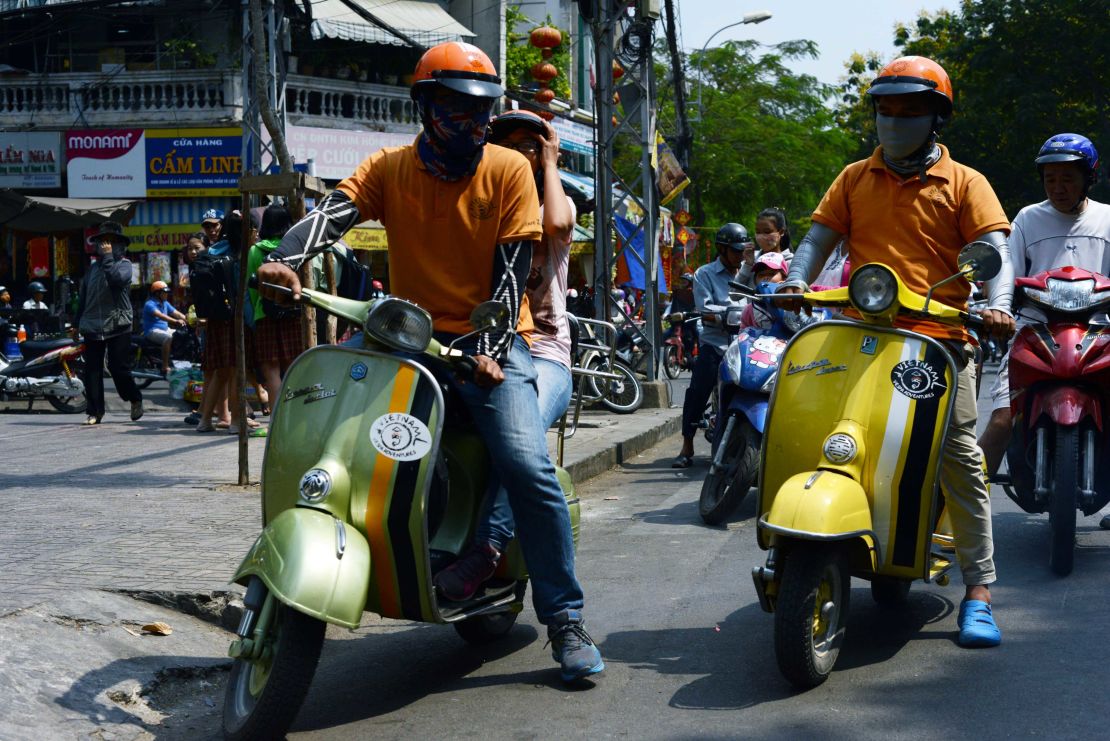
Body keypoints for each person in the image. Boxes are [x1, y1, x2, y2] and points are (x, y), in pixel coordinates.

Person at [256, 41, 602, 683]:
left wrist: (493, 351)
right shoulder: (389, 168)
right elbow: (334, 213)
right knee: (329, 414)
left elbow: (513, 272)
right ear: (424, 107)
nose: (468, 122)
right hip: (406, 340)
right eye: (453, 108)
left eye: (479, 111)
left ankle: (566, 619)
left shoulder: (507, 169)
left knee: (526, 465)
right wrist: (287, 255)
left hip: (492, 345)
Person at [775, 55, 1015, 648]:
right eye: (886, 107)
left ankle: (979, 590)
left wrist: (998, 304)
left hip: (939, 341)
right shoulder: (855, 177)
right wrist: (793, 282)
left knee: (959, 453)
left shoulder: (966, 183)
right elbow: (816, 240)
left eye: (909, 108)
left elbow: (994, 255)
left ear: (937, 117)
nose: (895, 118)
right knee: (812, 424)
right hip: (859, 333)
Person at [433, 109, 577, 602]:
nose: (522, 152)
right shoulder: (481, 204)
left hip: (545, 356)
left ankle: (489, 547)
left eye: (532, 146)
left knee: (524, 443)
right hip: (482, 347)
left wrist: (552, 162)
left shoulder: (556, 202)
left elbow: (556, 224)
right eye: (511, 143)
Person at [972, 133, 1110, 528]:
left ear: (1089, 177)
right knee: (1000, 420)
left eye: (1067, 179)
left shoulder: (1107, 218)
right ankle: (957, 512)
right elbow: (1006, 269)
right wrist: (998, 306)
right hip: (1036, 331)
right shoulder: (1028, 218)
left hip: (1098, 332)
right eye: (1050, 179)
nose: (1058, 188)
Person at [671, 222, 751, 468]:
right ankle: (687, 446)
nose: (740, 256)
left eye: (743, 251)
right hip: (715, 343)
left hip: (744, 343)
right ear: (722, 249)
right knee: (698, 390)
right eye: (736, 251)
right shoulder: (704, 274)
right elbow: (703, 307)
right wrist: (729, 314)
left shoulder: (749, 273)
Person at [76, 222, 144, 425]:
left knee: (117, 367)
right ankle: (95, 412)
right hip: (92, 324)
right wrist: (77, 322)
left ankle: (134, 398)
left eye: (110, 242)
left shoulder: (124, 265)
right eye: (102, 242)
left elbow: (116, 280)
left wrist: (107, 258)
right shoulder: (92, 270)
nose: (106, 246)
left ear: (120, 245)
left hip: (118, 323)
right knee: (92, 370)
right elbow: (84, 298)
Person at [247, 203, 304, 415]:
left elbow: (252, 288)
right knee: (293, 366)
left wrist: (257, 310)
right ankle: (296, 416)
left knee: (270, 370)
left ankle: (277, 418)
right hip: (293, 312)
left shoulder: (255, 250)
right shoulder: (297, 246)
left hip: (265, 314)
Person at [737, 207, 794, 288]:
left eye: (767, 232)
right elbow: (734, 294)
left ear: (781, 232)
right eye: (758, 232)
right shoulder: (752, 260)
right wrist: (748, 265)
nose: (761, 236)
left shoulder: (792, 263)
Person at [142, 280, 187, 377]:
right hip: (152, 331)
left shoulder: (165, 303)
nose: (166, 294)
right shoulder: (149, 304)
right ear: (157, 293)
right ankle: (164, 367)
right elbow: (161, 315)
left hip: (165, 329)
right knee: (168, 338)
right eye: (164, 292)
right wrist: (175, 321)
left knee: (183, 335)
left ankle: (176, 358)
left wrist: (188, 319)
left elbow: (177, 313)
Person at [739, 252, 788, 330]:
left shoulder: (794, 302)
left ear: (784, 278)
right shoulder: (749, 309)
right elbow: (742, 335)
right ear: (755, 280)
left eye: (771, 274)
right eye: (761, 275)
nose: (765, 278)